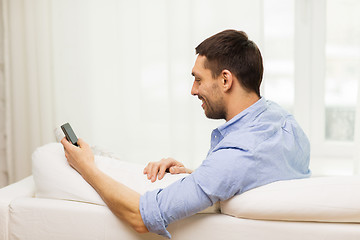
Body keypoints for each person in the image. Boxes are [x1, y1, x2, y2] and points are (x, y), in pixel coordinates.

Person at [61, 29, 311, 238]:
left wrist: (86, 167)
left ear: (225, 80)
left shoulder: (238, 154)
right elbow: (252, 172)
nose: (193, 90)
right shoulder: (282, 121)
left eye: (198, 79)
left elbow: (141, 217)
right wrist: (198, 176)